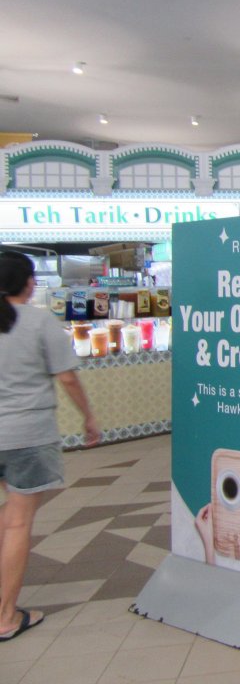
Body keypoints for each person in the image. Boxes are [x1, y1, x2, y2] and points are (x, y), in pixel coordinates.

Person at [0, 251, 99, 642]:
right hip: (28, 435)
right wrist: (88, 418)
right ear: (28, 282)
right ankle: (7, 616)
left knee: (10, 517)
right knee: (20, 522)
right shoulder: (39, 321)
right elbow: (68, 379)